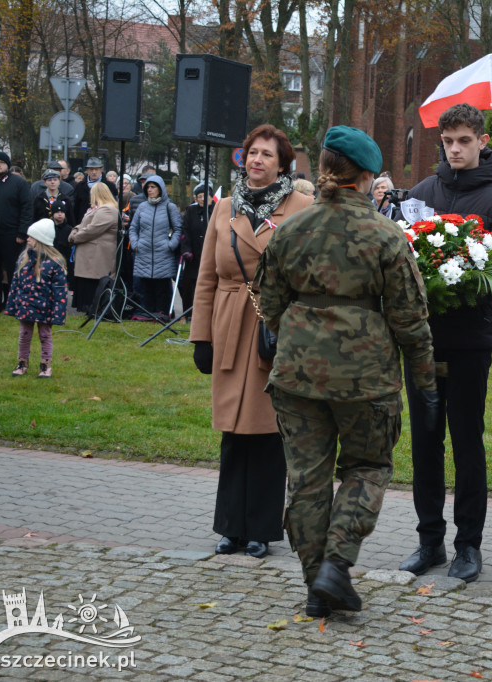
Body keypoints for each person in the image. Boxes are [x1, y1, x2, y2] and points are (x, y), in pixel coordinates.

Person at [256, 125, 436, 617]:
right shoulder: (385, 235)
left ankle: (318, 586)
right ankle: (336, 566)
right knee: (368, 467)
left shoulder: (290, 228)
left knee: (307, 480)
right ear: (366, 177)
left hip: (297, 376)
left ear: (327, 169)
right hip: (365, 379)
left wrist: (302, 329)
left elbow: (268, 303)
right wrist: (425, 380)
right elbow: (409, 318)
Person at [399, 103, 492, 583]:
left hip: (470, 339)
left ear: (482, 141)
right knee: (426, 442)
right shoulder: (424, 191)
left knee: (466, 442)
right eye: (448, 141)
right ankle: (429, 541)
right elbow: (403, 252)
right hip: (424, 339)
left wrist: (467, 278)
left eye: (464, 140)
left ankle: (468, 545)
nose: (455, 149)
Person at [190, 124, 313, 560]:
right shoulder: (224, 208)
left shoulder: (302, 206)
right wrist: (200, 336)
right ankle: (230, 528)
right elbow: (206, 276)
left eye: (267, 154)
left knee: (267, 433)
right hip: (228, 326)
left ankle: (260, 529)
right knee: (233, 434)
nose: (257, 160)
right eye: (252, 153)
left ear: (283, 164)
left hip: (273, 329)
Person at [5, 219, 68, 378]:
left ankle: (45, 365)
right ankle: (22, 363)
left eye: (31, 237)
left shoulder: (54, 263)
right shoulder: (23, 259)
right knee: (24, 334)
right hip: (26, 306)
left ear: (40, 240)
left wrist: (58, 313)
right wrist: (12, 304)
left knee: (45, 335)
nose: (28, 239)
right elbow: (15, 283)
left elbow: (60, 291)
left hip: (44, 308)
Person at [0, 151, 33, 312]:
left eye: (1, 162)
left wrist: (22, 233)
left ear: (7, 165)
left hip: (12, 234)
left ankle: (14, 303)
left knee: (13, 270)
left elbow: (27, 209)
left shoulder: (19, 183)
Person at [129, 175, 182, 320]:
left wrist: (171, 245)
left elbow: (178, 228)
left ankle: (163, 313)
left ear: (160, 189)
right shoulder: (142, 207)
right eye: (148, 187)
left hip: (163, 254)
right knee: (146, 286)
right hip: (143, 252)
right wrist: (136, 244)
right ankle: (148, 313)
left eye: (153, 187)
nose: (150, 190)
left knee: (162, 287)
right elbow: (133, 228)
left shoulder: (169, 207)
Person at [68, 182, 118, 314]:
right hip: (91, 255)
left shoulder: (107, 209)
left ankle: (93, 308)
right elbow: (84, 224)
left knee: (94, 286)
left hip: (97, 256)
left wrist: (75, 237)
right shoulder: (96, 209)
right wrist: (75, 230)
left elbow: (92, 229)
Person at [178, 183, 213, 322]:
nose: (203, 199)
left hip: (210, 255)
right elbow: (185, 232)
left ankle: (207, 313)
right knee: (189, 285)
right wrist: (186, 250)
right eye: (199, 197)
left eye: (206, 196)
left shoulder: (216, 211)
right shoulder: (191, 212)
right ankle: (188, 313)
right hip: (194, 255)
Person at [49, 199, 74, 290]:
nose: (60, 214)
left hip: (64, 262)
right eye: (57, 212)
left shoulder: (69, 229)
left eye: (62, 212)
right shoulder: (49, 227)